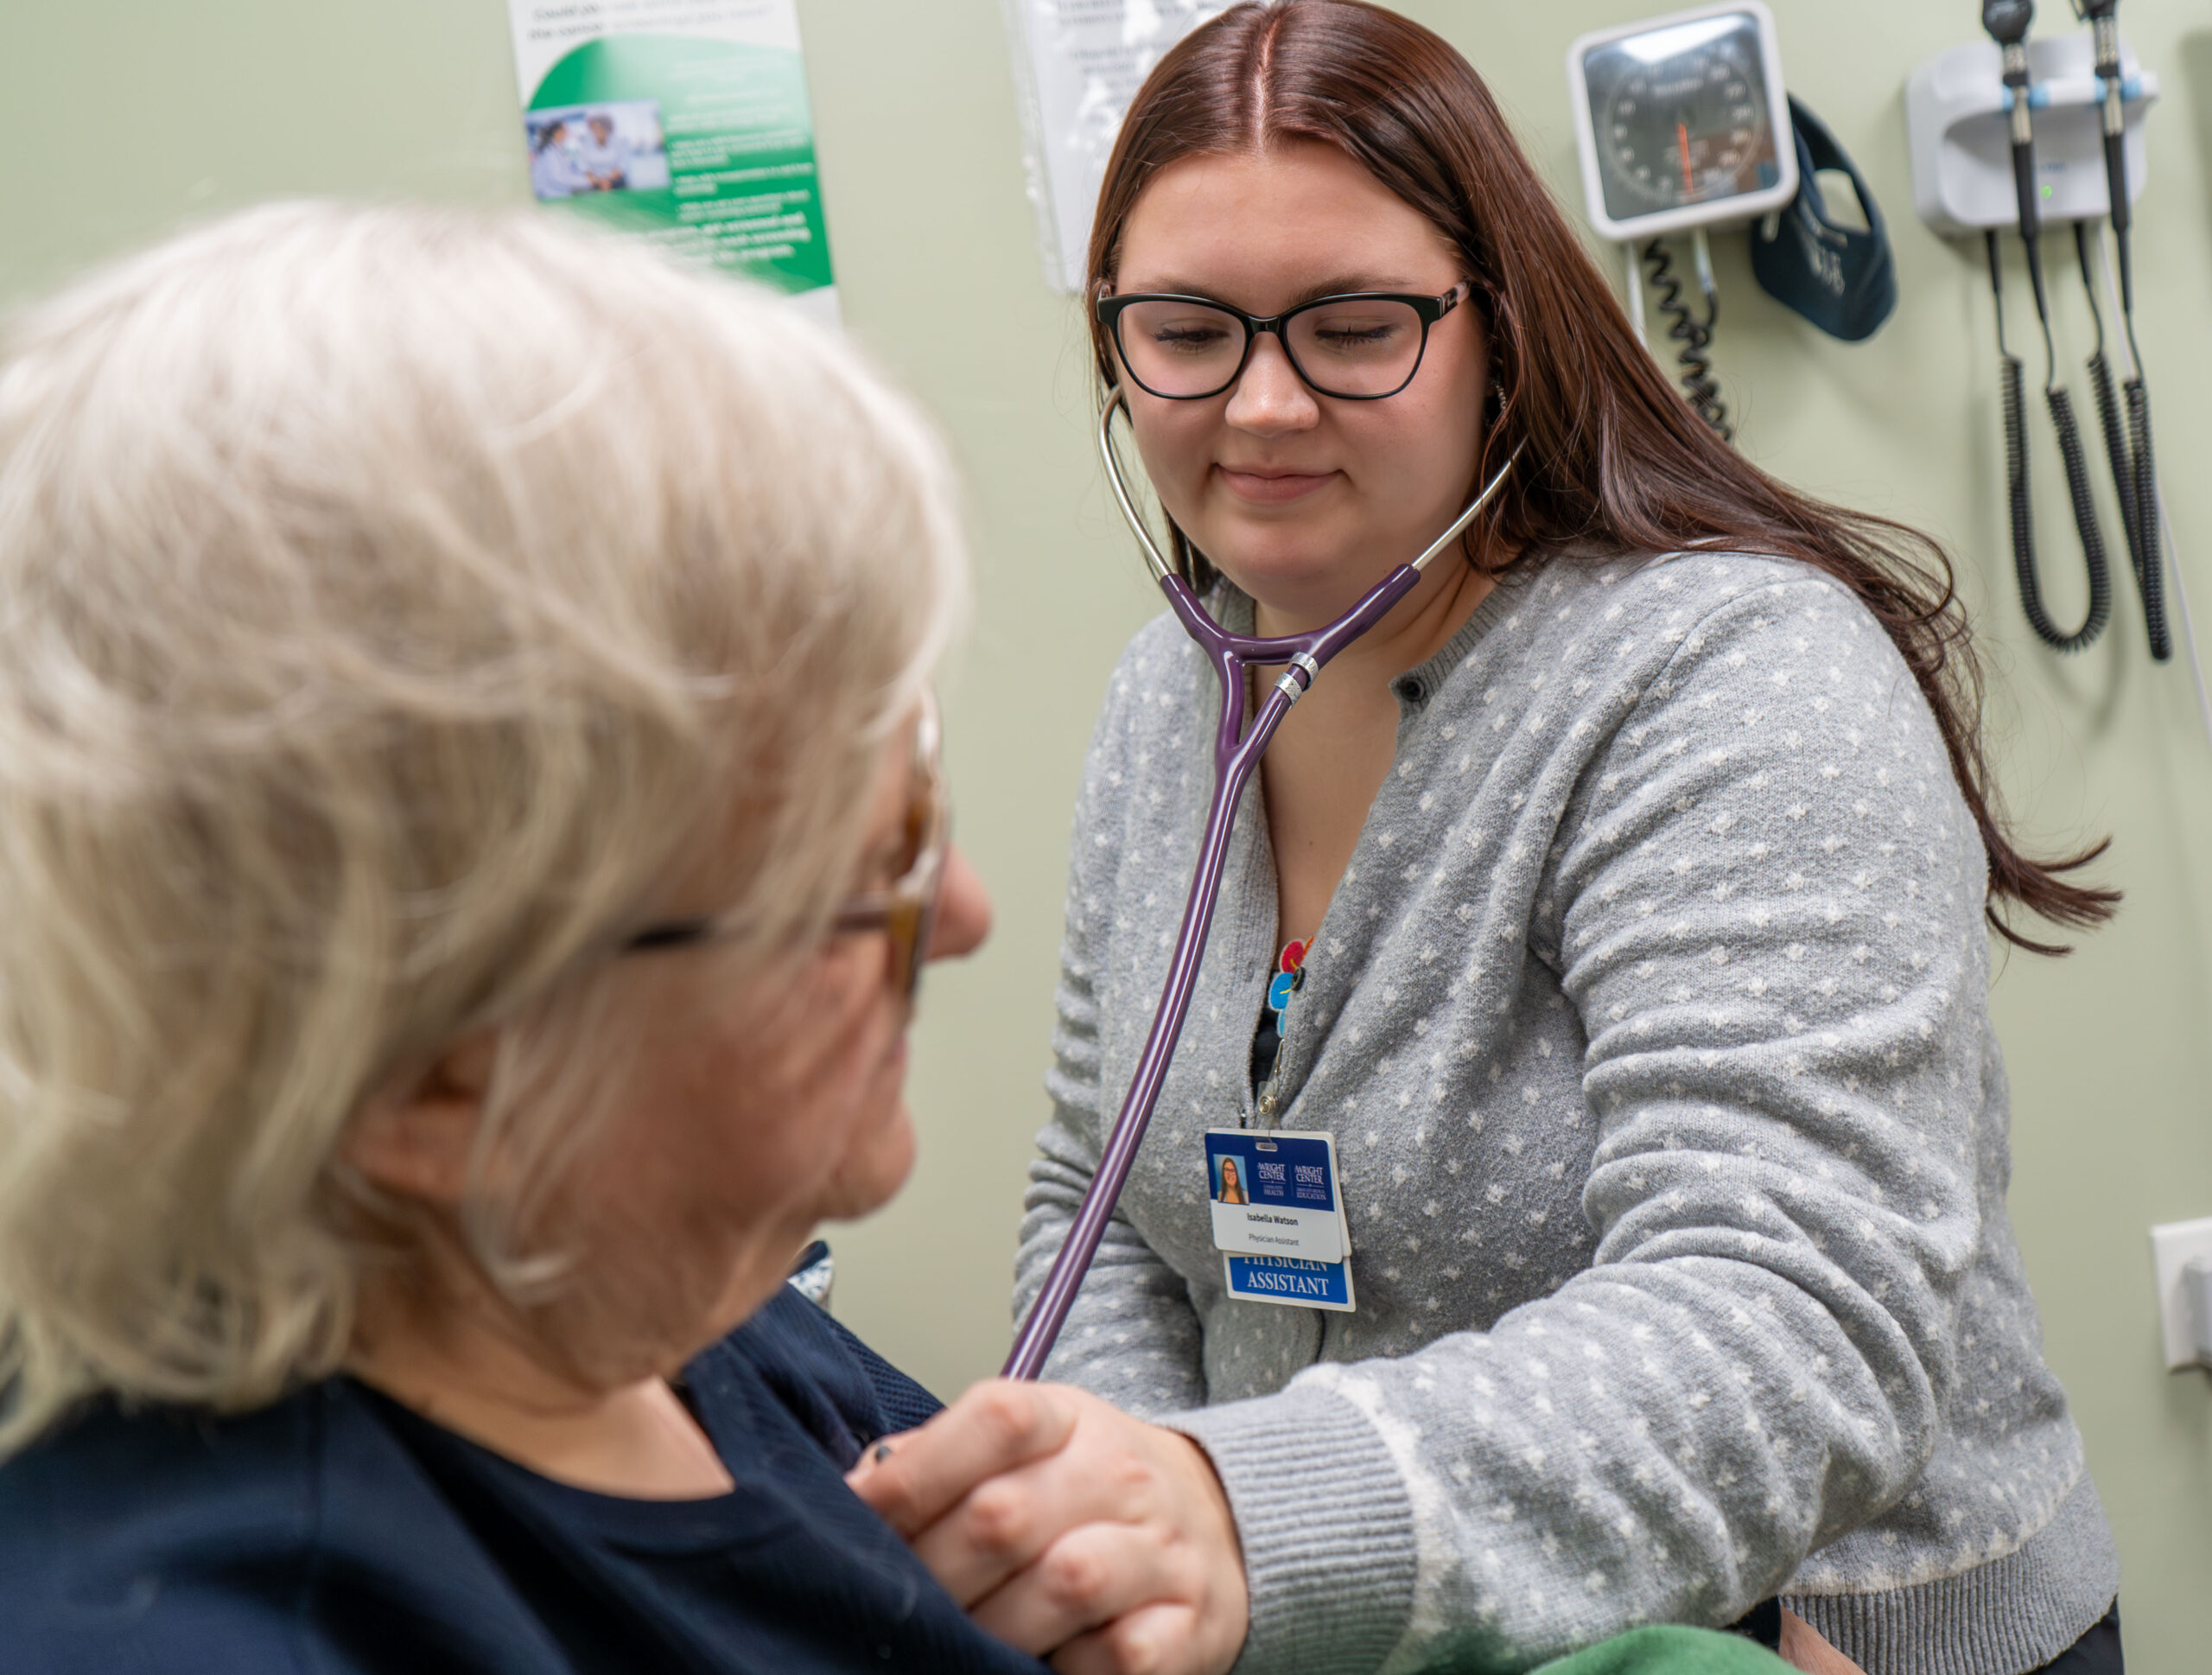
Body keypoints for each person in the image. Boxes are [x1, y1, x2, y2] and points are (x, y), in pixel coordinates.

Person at [850, 6, 2125, 1675]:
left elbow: (1790, 1315)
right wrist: (1121, 1547)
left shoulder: (1729, 681)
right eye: (1185, 330)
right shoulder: (1173, 698)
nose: (1264, 404)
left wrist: (1238, 1515)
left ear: (1500, 327)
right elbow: (1098, 1204)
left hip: (1813, 1639)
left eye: (1356, 325)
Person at [0, 201, 1040, 1673]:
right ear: (421, 1068)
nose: (965, 916)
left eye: (913, 786)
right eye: (848, 871)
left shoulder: (619, 1293)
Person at [529, 115, 588, 199]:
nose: (567, 132)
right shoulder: (548, 152)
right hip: (551, 196)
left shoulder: (557, 149)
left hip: (558, 195)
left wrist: (584, 179)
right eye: (565, 130)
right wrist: (586, 181)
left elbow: (566, 173)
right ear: (557, 132)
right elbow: (558, 178)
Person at [578, 111, 631, 191]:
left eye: (601, 127)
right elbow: (584, 166)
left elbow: (622, 166)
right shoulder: (586, 143)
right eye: (595, 128)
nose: (598, 131)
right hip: (595, 182)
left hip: (615, 180)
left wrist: (607, 180)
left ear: (607, 128)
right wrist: (598, 181)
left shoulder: (618, 142)